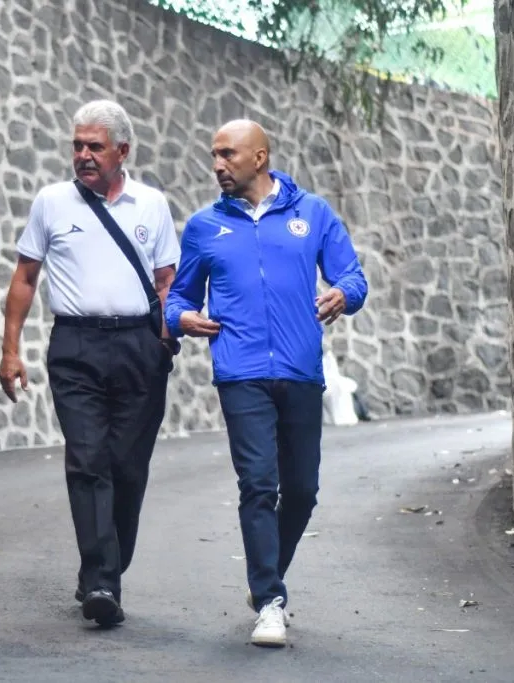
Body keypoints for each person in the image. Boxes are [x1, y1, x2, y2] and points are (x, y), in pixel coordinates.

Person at [164, 119, 368, 647]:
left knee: (301, 491)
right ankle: (270, 599)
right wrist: (181, 319)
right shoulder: (204, 226)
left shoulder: (312, 213)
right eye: (214, 155)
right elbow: (178, 299)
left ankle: (265, 576)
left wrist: (343, 294)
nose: (217, 165)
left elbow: (354, 276)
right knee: (258, 484)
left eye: (227, 155)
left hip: (301, 369)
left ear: (260, 158)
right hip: (241, 373)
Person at [0, 99, 180, 627]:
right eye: (76, 145)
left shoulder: (151, 205)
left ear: (122, 151)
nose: (82, 155)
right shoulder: (52, 202)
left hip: (138, 348)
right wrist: (11, 349)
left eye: (93, 147)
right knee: (87, 460)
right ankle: (102, 581)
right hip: (75, 346)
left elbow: (167, 284)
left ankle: (103, 569)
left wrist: (166, 343)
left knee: (127, 468)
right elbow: (26, 278)